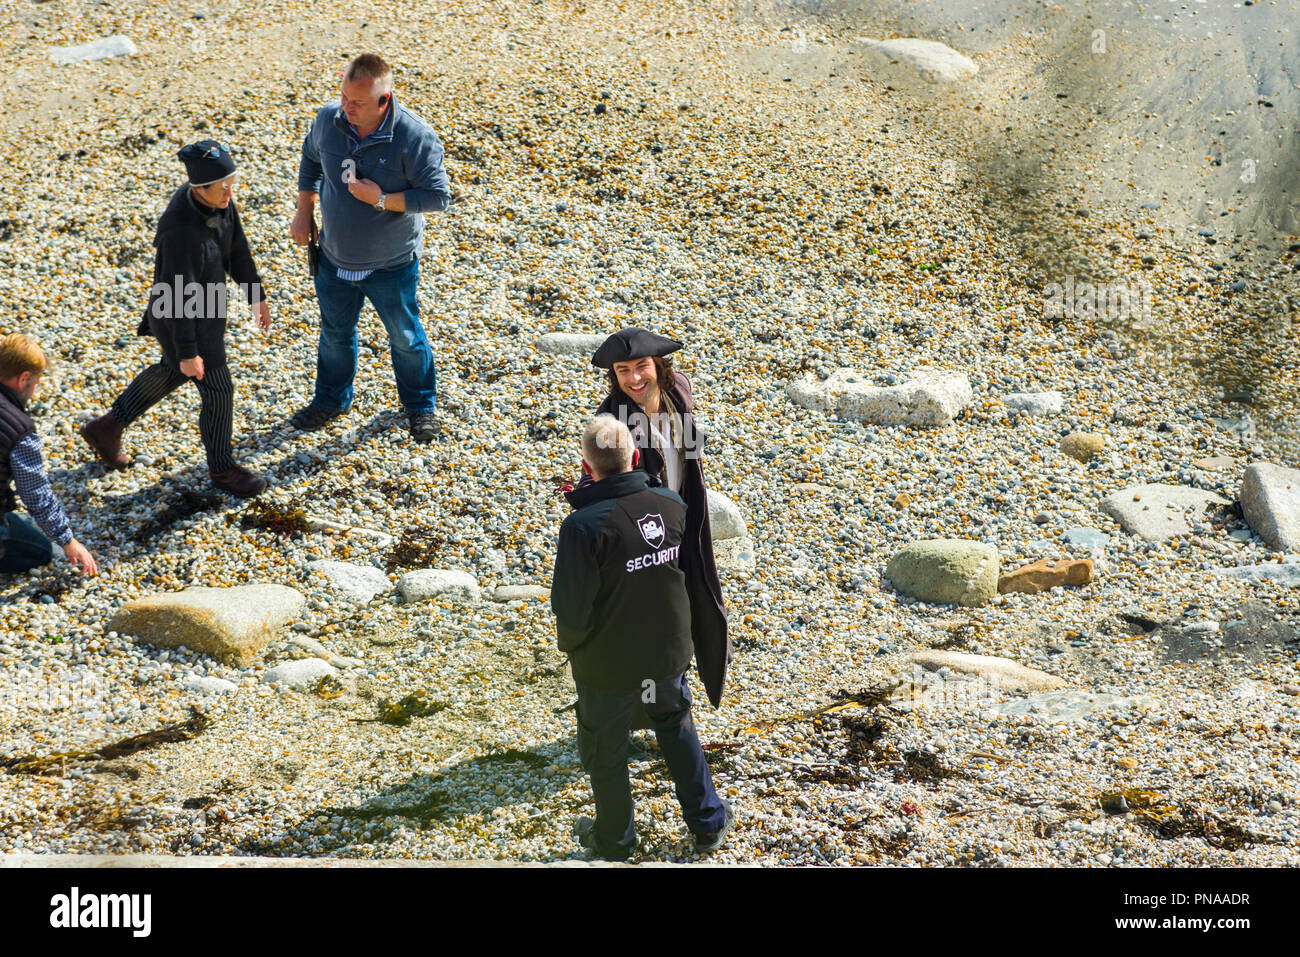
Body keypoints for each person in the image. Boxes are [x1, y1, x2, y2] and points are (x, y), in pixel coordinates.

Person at [552, 414, 733, 861]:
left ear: (586, 466)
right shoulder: (670, 502)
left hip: (608, 668)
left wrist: (572, 646)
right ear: (635, 457)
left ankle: (615, 839)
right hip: (663, 655)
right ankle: (708, 823)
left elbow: (570, 607)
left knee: (606, 747)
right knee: (673, 726)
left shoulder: (583, 526)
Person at [81, 139, 272, 498]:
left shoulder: (220, 202)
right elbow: (177, 296)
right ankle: (223, 470)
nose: (230, 192)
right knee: (217, 389)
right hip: (177, 314)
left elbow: (237, 250)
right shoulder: (180, 231)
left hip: (206, 304)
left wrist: (255, 293)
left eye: (233, 183)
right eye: (223, 186)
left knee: (173, 371)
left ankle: (107, 427)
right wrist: (188, 350)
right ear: (199, 188)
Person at [289, 52, 452, 443]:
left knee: (406, 338)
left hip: (391, 265)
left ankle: (420, 407)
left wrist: (382, 199)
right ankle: (330, 401)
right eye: (343, 96)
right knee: (334, 334)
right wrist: (303, 211)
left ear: (384, 100)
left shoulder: (415, 137)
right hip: (333, 257)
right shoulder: (329, 120)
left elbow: (438, 197)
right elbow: (311, 158)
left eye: (357, 102)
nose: (346, 108)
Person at [570, 327, 732, 710]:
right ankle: (661, 713)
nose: (634, 379)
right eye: (623, 370)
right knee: (657, 625)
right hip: (647, 535)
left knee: (698, 604)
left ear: (659, 366)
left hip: (688, 521)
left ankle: (680, 699)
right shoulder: (611, 419)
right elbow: (594, 481)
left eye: (641, 366)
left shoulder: (679, 390)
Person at [0, 334, 98, 576]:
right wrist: (68, 541)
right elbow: (35, 493)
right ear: (24, 378)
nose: (34, 391)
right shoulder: (19, 428)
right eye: (36, 383)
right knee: (40, 550)